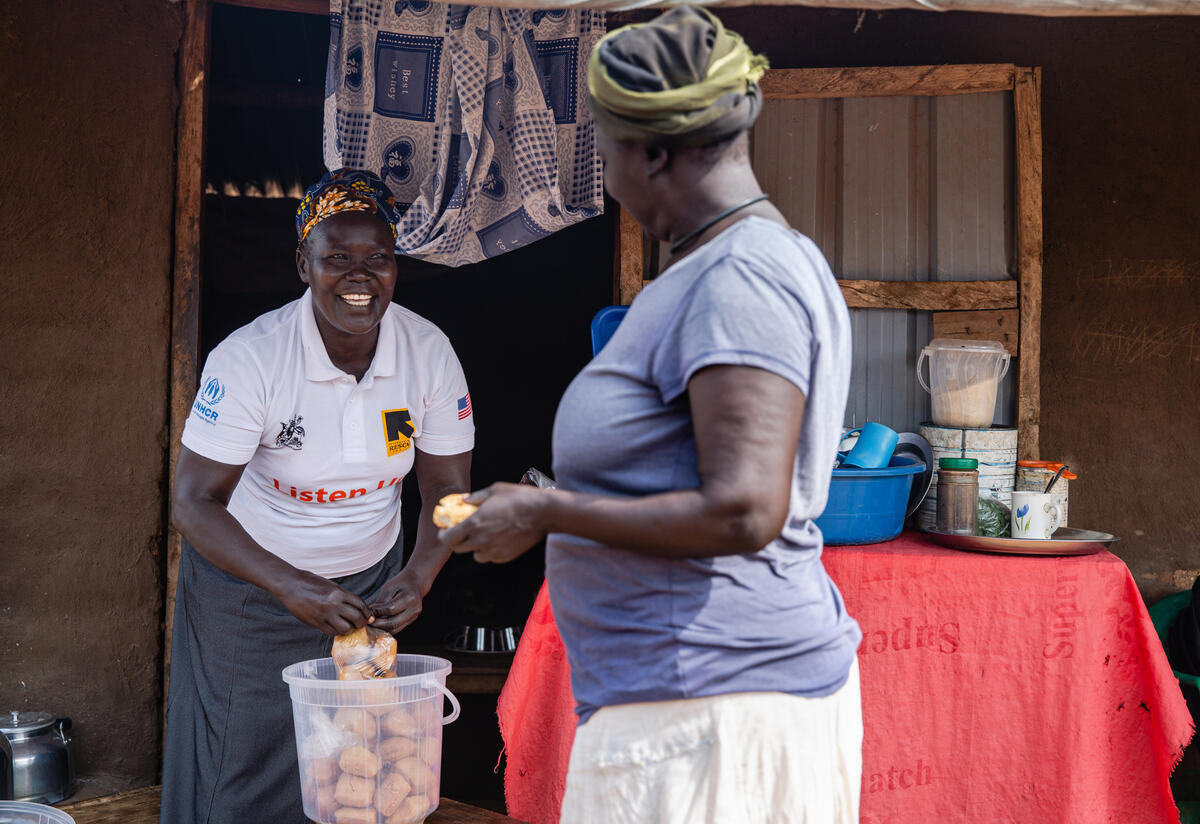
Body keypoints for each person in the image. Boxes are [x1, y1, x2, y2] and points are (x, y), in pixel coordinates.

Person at [439, 7, 862, 823]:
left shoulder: (741, 277)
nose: (605, 177)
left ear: (655, 153)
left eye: (605, 150)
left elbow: (746, 509)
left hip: (710, 718)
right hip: (689, 710)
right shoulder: (723, 267)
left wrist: (548, 510)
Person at [161, 169, 474, 823]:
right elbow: (193, 502)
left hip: (368, 588)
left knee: (356, 766)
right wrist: (287, 586)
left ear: (396, 266)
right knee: (241, 762)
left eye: (377, 259)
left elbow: (448, 488)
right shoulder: (252, 360)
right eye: (337, 257)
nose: (359, 277)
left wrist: (418, 576)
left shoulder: (429, 355)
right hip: (249, 590)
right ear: (303, 263)